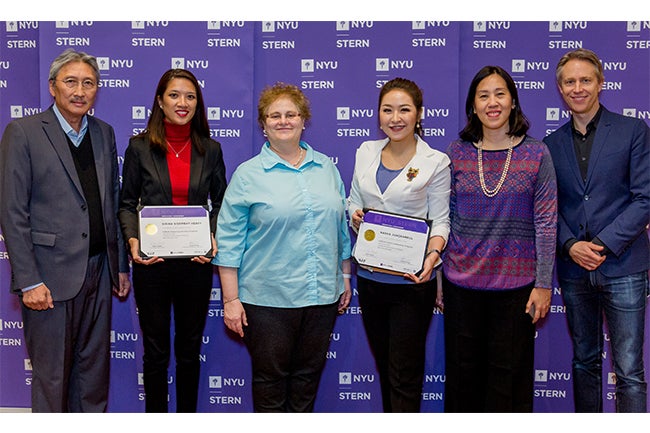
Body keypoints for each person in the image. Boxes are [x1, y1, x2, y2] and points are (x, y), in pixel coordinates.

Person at [0, 49, 130, 412]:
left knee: (93, 376)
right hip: (49, 276)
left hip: (99, 272)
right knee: (52, 377)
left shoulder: (104, 133)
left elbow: (111, 203)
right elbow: (12, 211)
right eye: (70, 81)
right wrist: (28, 280)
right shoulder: (23, 132)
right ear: (52, 87)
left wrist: (119, 266)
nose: (80, 90)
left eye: (88, 83)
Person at [212, 82, 351, 412]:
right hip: (267, 301)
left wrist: (345, 277)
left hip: (321, 297)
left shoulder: (327, 169)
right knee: (271, 385)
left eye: (292, 114)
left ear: (304, 120)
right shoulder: (248, 175)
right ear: (263, 124)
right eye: (275, 115)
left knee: (307, 382)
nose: (284, 120)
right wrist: (231, 300)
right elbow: (228, 241)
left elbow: (340, 229)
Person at [442, 65, 557, 412]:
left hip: (517, 289)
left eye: (499, 93)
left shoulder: (537, 154)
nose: (492, 102)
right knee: (463, 383)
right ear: (473, 105)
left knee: (509, 385)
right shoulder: (456, 152)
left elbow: (547, 222)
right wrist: (437, 278)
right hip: (461, 286)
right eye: (483, 95)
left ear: (512, 101)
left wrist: (543, 284)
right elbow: (444, 218)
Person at [544, 48, 650, 413]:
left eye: (585, 80)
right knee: (584, 362)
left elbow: (644, 198)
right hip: (574, 271)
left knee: (629, 371)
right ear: (560, 88)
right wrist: (571, 245)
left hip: (624, 266)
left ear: (601, 83)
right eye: (570, 81)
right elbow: (547, 210)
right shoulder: (549, 146)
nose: (578, 88)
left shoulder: (633, 130)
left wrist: (601, 244)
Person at [118, 69, 227, 412]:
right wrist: (133, 240)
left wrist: (212, 234)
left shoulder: (210, 149)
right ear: (160, 101)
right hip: (152, 264)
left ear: (198, 103)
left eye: (190, 96)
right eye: (175, 95)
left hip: (195, 264)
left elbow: (222, 202)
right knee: (155, 351)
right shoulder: (139, 147)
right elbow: (125, 204)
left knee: (189, 350)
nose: (183, 103)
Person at [347, 77, 451, 412]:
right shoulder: (366, 151)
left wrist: (433, 256)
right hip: (372, 280)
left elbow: (441, 221)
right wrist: (357, 215)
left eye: (404, 109)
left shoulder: (435, 161)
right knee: (385, 370)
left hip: (411, 283)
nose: (396, 118)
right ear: (378, 115)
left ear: (419, 113)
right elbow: (351, 203)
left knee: (404, 375)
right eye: (388, 110)